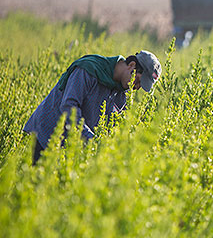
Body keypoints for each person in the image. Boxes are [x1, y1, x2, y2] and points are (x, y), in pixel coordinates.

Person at [24, 50, 162, 164]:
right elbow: (69, 107)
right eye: (138, 81)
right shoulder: (89, 69)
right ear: (131, 65)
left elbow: (114, 128)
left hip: (70, 149)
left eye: (140, 87)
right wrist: (91, 140)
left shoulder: (122, 94)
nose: (136, 87)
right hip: (46, 135)